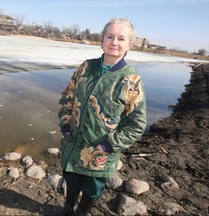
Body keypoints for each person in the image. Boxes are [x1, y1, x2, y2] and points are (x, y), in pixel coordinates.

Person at [57, 18, 147, 216]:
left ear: (129, 45)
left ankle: (81, 213)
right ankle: (67, 209)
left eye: (121, 38)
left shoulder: (131, 79)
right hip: (73, 144)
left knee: (92, 188)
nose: (114, 42)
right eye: (110, 36)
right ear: (102, 40)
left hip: (100, 152)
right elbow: (68, 97)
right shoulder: (86, 67)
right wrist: (66, 124)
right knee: (71, 179)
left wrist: (109, 144)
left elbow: (137, 124)